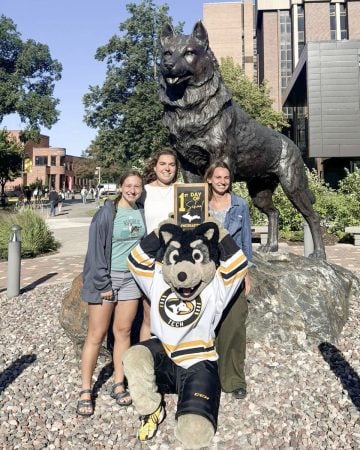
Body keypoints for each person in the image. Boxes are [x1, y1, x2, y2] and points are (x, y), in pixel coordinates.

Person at [77, 170, 146, 417]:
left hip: (131, 280)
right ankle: (86, 389)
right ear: (120, 187)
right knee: (96, 334)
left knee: (124, 332)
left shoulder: (141, 211)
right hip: (106, 278)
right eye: (128, 185)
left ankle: (119, 382)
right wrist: (103, 283)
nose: (132, 190)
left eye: (137, 186)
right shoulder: (106, 213)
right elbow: (95, 252)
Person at [204, 160, 253, 400]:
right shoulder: (199, 205)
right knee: (203, 327)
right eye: (218, 177)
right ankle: (205, 378)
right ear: (209, 179)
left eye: (227, 178)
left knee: (234, 326)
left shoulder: (240, 205)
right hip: (205, 274)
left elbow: (245, 243)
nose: (223, 182)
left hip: (233, 273)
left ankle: (233, 379)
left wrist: (246, 273)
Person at [139, 147, 179, 341]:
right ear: (154, 167)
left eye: (171, 164)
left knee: (174, 313)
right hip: (150, 260)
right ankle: (142, 367)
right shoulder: (143, 192)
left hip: (176, 260)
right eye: (162, 164)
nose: (167, 168)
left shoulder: (183, 191)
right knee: (149, 316)